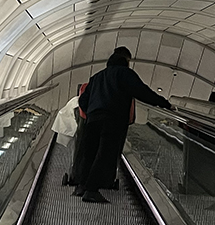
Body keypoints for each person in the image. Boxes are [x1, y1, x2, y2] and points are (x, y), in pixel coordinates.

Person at [74, 48, 173, 203]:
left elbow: (82, 99)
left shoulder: (97, 77)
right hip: (113, 119)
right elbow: (142, 92)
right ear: (126, 61)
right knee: (105, 154)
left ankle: (81, 186)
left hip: (93, 119)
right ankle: (92, 190)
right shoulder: (125, 74)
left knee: (89, 153)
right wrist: (165, 104)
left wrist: (90, 112)